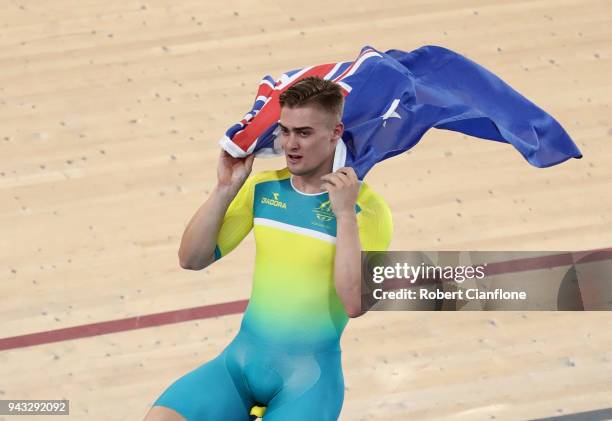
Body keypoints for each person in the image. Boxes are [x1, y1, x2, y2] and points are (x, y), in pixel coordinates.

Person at [143, 76, 393, 421]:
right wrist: (224, 189)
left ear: (335, 133)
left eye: (304, 133)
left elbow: (354, 303)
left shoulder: (368, 210)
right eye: (285, 131)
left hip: (307, 383)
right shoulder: (263, 188)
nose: (291, 144)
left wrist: (345, 214)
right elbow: (191, 259)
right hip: (239, 366)